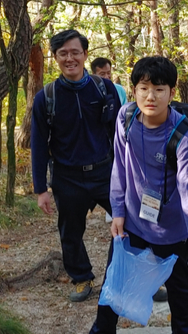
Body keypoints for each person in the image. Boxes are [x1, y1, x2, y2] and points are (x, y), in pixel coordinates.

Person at [75, 56, 188, 334]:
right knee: (113, 283)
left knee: (179, 291)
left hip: (172, 230)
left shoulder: (183, 135)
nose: (150, 96)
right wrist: (117, 211)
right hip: (134, 223)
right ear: (134, 90)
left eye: (159, 89)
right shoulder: (125, 118)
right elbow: (119, 169)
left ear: (171, 92)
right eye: (143, 88)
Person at [31, 29, 121, 302]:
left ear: (84, 54)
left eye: (75, 52)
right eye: (63, 53)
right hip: (67, 177)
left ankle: (122, 276)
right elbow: (38, 144)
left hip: (106, 171)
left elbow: (121, 133)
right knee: (70, 232)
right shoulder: (46, 97)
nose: (70, 58)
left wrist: (131, 173)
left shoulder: (103, 89)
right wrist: (40, 189)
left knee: (131, 225)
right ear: (55, 57)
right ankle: (82, 278)